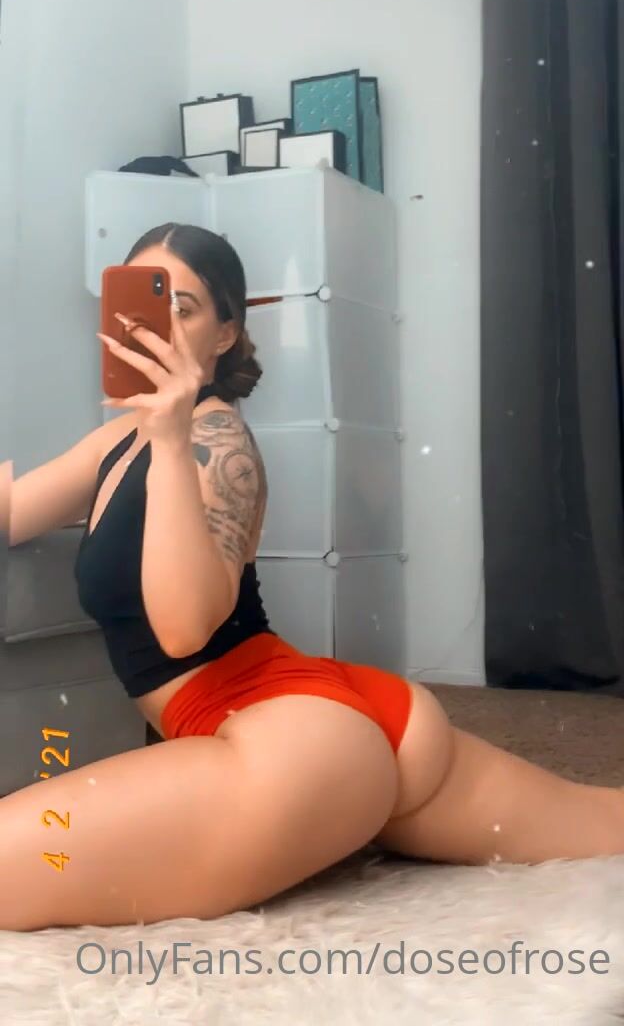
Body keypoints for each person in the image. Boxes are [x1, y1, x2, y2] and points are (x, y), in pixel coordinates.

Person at [3, 222, 623, 933]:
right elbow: (14, 507)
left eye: (185, 307)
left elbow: (182, 630)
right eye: (143, 300)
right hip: (338, 716)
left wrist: (171, 442)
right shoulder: (115, 440)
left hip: (289, 737)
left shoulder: (215, 441)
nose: (160, 324)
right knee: (605, 820)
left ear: (225, 334)